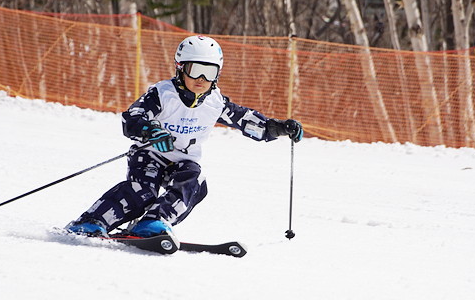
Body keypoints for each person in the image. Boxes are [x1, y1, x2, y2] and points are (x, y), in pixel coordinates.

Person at [66, 35, 303, 239]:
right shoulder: (162, 94)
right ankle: (92, 222)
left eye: (209, 72)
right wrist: (151, 131)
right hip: (151, 154)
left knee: (194, 183)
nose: (201, 79)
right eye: (195, 70)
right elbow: (132, 118)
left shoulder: (215, 102)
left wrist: (279, 128)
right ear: (180, 68)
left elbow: (247, 121)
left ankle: (152, 223)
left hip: (184, 159)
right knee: (142, 192)